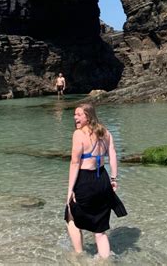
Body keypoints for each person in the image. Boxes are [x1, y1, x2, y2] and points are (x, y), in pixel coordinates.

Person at [64, 103, 127, 258]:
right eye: (74, 114)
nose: (75, 117)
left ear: (88, 116)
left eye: (79, 114)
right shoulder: (105, 132)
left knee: (70, 215)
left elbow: (75, 163)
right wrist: (113, 178)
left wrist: (69, 190)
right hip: (103, 180)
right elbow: (112, 156)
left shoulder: (78, 134)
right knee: (100, 230)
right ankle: (105, 261)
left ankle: (79, 256)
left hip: (85, 180)